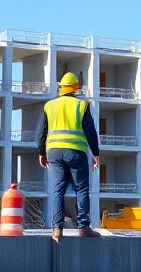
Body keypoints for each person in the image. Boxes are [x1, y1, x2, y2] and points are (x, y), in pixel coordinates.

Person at [37, 72, 101, 241]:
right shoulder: (82, 105)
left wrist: (41, 152)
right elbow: (90, 131)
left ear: (61, 87)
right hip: (76, 152)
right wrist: (95, 153)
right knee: (81, 189)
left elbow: (41, 132)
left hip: (54, 152)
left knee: (58, 189)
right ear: (76, 87)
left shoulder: (49, 105)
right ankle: (83, 227)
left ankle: (57, 229)